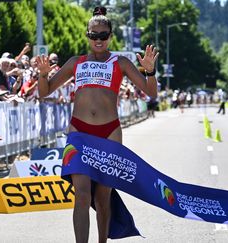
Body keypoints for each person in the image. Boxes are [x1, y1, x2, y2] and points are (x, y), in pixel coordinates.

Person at [36, 7, 158, 242]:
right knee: (81, 195)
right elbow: (45, 92)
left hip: (109, 132)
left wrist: (150, 71)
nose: (99, 40)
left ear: (110, 36)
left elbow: (149, 92)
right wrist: (42, 75)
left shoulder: (120, 62)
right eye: (94, 36)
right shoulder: (76, 62)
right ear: (87, 36)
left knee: (103, 198)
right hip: (79, 132)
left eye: (103, 36)